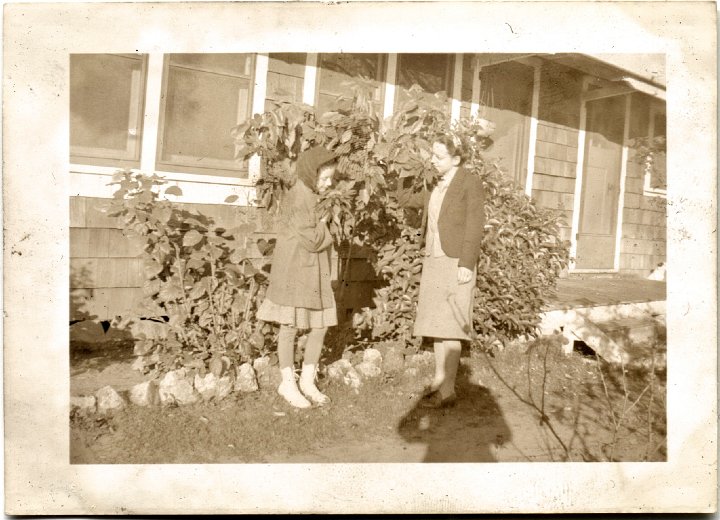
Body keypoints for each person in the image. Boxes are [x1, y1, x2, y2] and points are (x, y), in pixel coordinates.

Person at [396, 134, 486, 408]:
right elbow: (403, 197)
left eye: (439, 157)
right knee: (436, 324)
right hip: (434, 258)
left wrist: (466, 265)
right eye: (432, 155)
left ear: (456, 159)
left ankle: (448, 391)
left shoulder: (469, 183)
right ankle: (438, 380)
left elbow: (475, 224)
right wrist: (407, 168)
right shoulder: (433, 181)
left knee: (451, 328)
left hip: (456, 260)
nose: (433, 161)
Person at [257, 146, 337, 408]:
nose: (329, 183)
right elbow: (314, 240)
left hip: (312, 269)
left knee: (320, 324)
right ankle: (287, 383)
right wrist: (325, 222)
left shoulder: (312, 194)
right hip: (294, 268)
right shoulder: (299, 197)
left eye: (330, 178)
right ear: (310, 174)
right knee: (290, 325)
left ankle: (307, 381)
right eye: (324, 178)